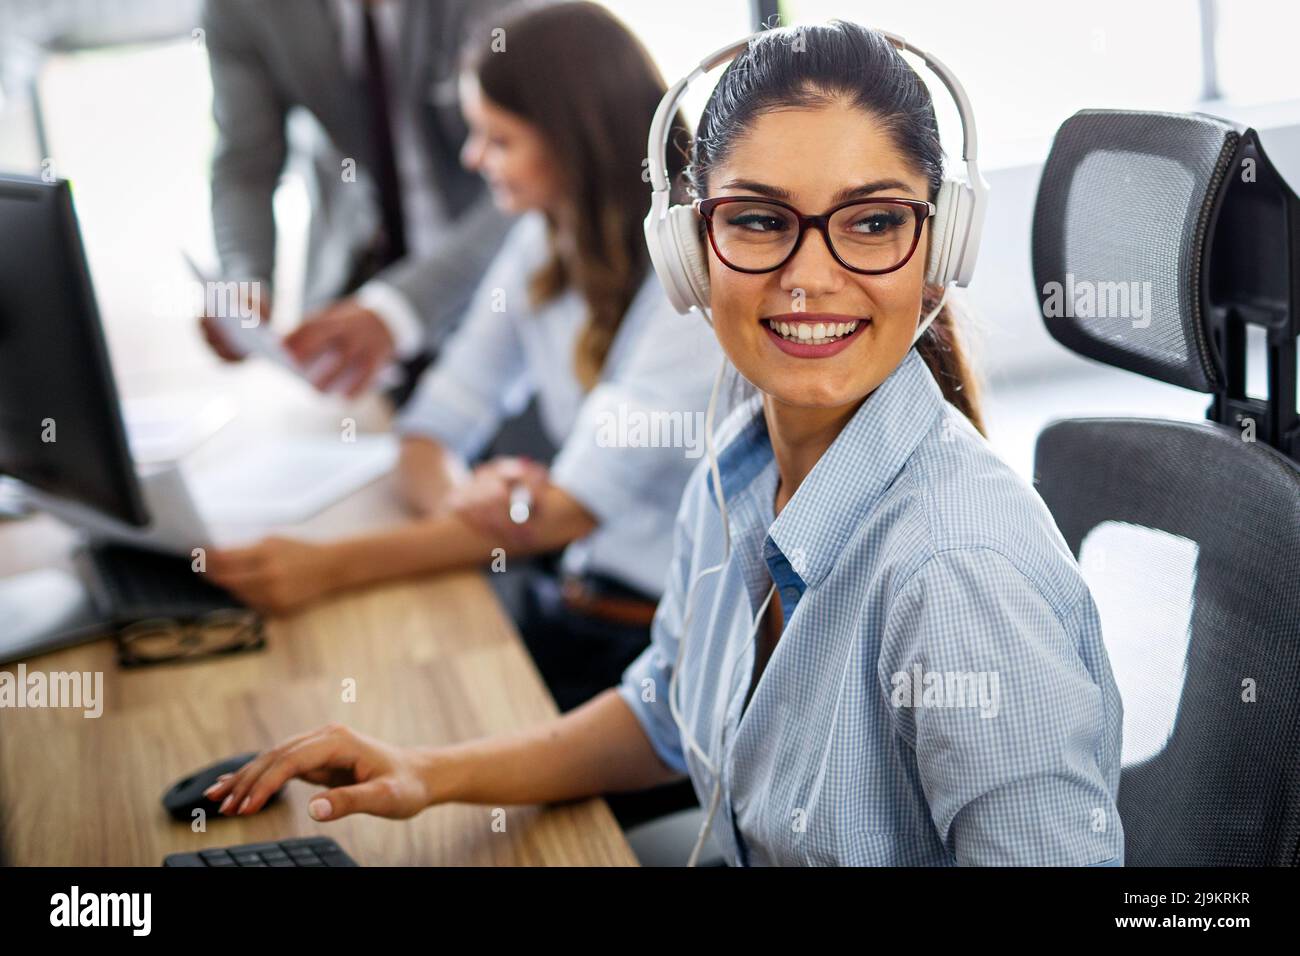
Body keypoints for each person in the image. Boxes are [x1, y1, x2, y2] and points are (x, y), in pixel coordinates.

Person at [204, 21, 1125, 866]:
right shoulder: (737, 470)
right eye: (759, 220)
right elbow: (665, 713)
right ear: (691, 252)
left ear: (941, 249)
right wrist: (427, 773)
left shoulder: (959, 573)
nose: (810, 278)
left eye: (873, 222)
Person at [204, 1, 720, 723]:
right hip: (577, 605)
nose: (473, 161)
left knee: (410, 710)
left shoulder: (699, 284)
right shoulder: (542, 238)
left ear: (574, 139)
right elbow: (434, 422)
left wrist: (324, 568)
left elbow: (562, 515)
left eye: (497, 140)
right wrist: (471, 501)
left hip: (663, 647)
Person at [197, 0, 514, 397]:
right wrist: (246, 280)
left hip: (501, 284)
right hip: (355, 307)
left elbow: (548, 166)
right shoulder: (243, 9)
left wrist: (399, 310)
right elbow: (246, 165)